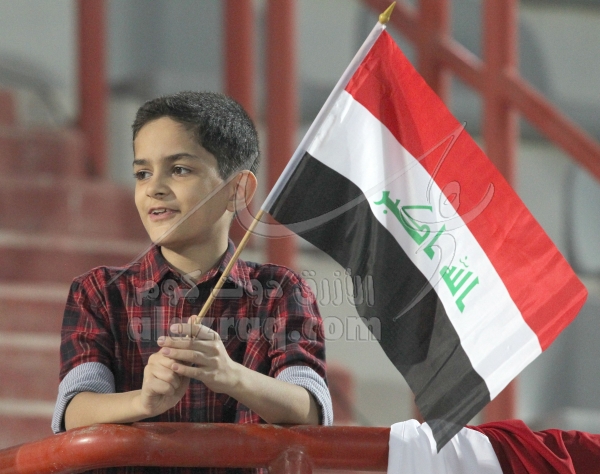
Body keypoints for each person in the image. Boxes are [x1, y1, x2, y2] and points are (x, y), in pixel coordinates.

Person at [52, 91, 332, 470]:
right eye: (142, 173)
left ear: (238, 191)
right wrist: (143, 401)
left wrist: (230, 376)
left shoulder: (282, 292)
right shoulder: (99, 292)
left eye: (180, 169)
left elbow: (310, 406)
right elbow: (75, 409)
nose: (154, 187)